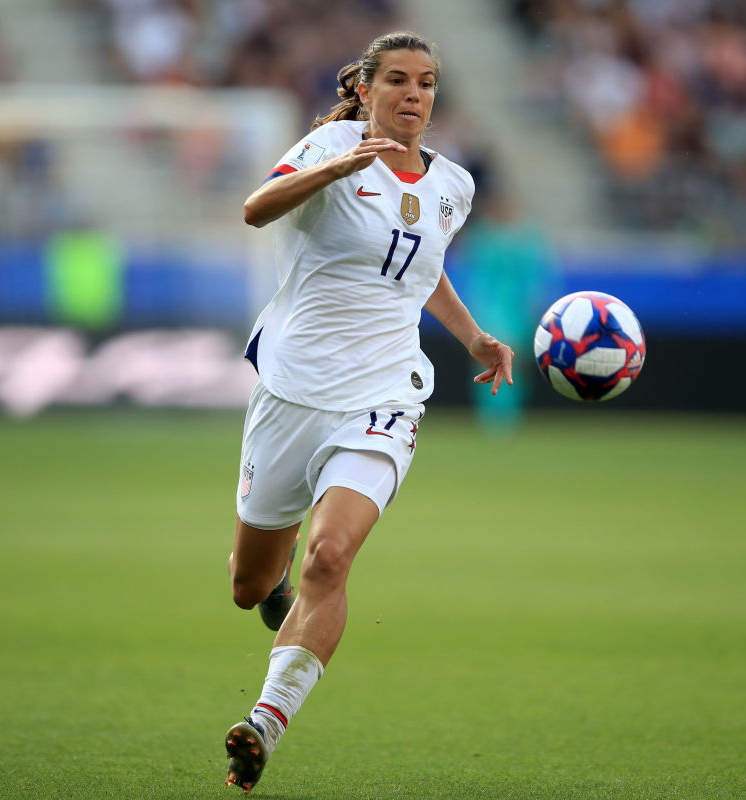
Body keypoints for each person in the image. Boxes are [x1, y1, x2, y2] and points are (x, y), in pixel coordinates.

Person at [222, 31, 514, 795]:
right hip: (292, 392)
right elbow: (255, 210)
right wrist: (330, 166)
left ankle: (263, 724)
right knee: (250, 585)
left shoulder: (453, 185)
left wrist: (476, 337)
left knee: (331, 557)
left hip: (383, 395)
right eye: (398, 81)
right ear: (368, 87)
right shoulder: (332, 144)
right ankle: (272, 586)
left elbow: (421, 270)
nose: (414, 94)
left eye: (427, 83)